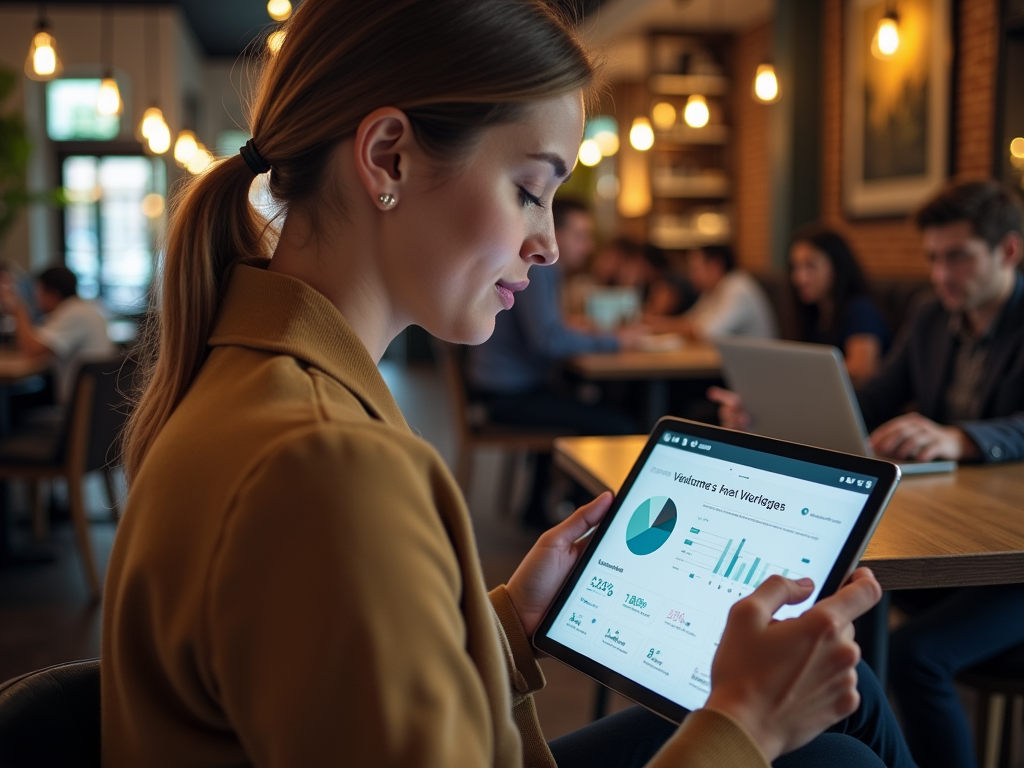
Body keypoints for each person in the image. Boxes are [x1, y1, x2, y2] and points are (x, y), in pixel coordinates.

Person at [103, 2, 914, 767]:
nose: (550, 245)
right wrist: (746, 722)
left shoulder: (254, 379)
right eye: (530, 190)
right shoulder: (325, 465)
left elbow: (319, 680)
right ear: (389, 156)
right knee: (830, 750)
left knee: (851, 707)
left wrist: (503, 626)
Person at [713, 179, 1024, 768]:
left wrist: (962, 438)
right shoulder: (934, 318)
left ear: (1008, 251)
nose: (940, 273)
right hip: (957, 539)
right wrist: (775, 413)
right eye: (932, 258)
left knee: (913, 655)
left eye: (957, 256)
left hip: (1013, 563)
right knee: (850, 590)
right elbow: (873, 400)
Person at [467, 198, 640, 528]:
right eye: (580, 236)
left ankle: (539, 509)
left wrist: (579, 330)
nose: (587, 246)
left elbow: (548, 330)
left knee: (582, 400)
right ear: (554, 233)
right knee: (618, 425)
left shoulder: (546, 269)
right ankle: (584, 521)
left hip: (505, 386)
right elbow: (547, 340)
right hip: (508, 396)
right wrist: (616, 341)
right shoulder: (541, 267)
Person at [786, 227, 890, 386]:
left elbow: (862, 371)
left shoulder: (861, 310)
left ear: (837, 265)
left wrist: (803, 372)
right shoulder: (812, 312)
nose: (800, 278)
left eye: (810, 265)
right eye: (796, 267)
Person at [0, 266, 114, 403]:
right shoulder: (85, 308)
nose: (36, 299)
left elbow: (32, 350)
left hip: (80, 411)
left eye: (38, 292)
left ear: (53, 294)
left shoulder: (73, 312)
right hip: (97, 406)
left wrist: (17, 307)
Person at [653, 245, 778, 340]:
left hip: (756, 366)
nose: (691, 276)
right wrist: (656, 323)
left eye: (694, 269)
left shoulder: (738, 287)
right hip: (733, 362)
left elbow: (707, 331)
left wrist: (657, 326)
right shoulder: (712, 290)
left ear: (715, 267)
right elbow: (691, 320)